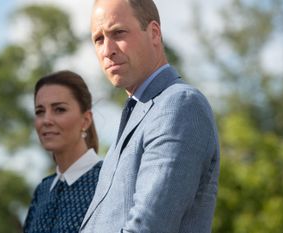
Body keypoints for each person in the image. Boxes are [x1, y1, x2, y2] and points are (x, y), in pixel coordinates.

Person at [80, 0, 220, 232]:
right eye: (99, 39)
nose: (107, 50)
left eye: (119, 33)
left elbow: (149, 226)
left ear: (154, 33)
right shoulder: (136, 115)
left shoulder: (179, 105)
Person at [23, 70, 102, 233]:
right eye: (40, 111)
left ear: (86, 120)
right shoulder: (42, 190)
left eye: (59, 110)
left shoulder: (107, 181)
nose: (46, 120)